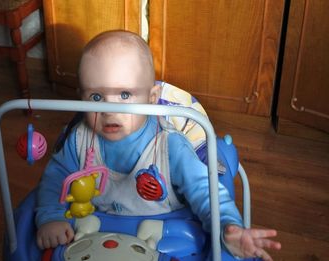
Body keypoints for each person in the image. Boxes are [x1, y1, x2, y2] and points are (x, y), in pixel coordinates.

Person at [35, 30, 281, 260]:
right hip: (93, 226)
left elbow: (204, 190)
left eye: (124, 95)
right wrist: (50, 218)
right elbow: (55, 178)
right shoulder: (79, 139)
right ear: (82, 97)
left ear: (152, 99)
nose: (110, 111)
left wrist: (228, 226)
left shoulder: (169, 145)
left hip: (164, 229)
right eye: (96, 97)